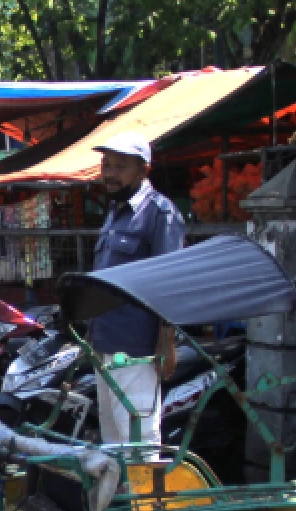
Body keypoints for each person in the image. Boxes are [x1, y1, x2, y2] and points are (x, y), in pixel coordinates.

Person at [88, 132, 185, 445]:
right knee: (113, 444)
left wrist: (167, 343)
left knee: (139, 445)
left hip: (137, 349)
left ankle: (146, 497)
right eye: (107, 165)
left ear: (144, 169)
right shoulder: (116, 211)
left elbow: (170, 282)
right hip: (105, 342)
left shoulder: (160, 213)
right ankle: (121, 495)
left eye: (120, 166)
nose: (110, 173)